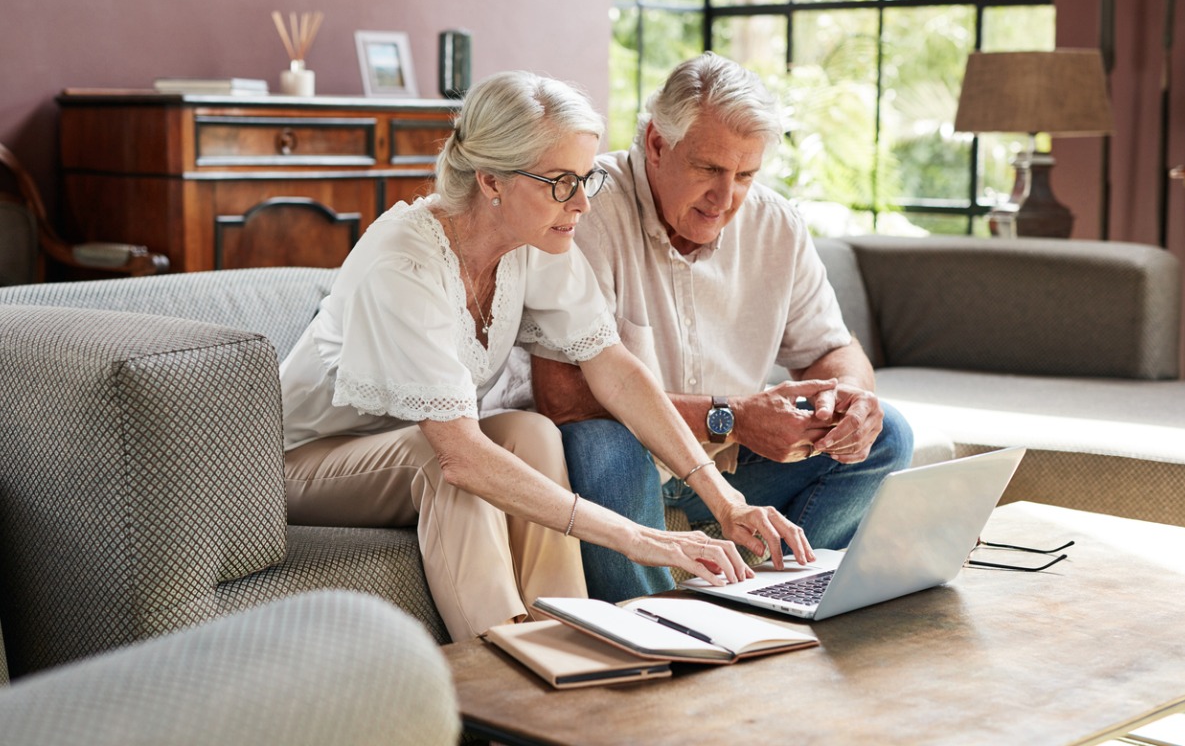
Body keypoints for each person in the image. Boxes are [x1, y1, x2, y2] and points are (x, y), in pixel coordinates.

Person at [278, 70, 809, 642]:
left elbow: (614, 370)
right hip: (301, 465)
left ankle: (569, 640)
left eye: (585, 180)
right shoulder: (403, 263)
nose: (581, 203)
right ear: (491, 181)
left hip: (408, 446)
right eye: (560, 182)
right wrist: (637, 537)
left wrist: (725, 500)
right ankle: (501, 670)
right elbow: (459, 454)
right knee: (449, 467)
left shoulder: (534, 241)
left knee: (530, 433)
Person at [529, 53, 915, 603]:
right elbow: (561, 397)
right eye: (710, 169)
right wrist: (731, 417)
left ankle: (762, 603)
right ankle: (656, 622)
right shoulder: (588, 209)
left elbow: (831, 347)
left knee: (889, 435)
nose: (726, 197)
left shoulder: (774, 223)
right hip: (630, 459)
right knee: (599, 443)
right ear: (657, 145)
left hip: (736, 465)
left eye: (746, 175)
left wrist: (847, 402)